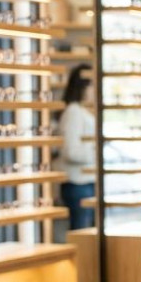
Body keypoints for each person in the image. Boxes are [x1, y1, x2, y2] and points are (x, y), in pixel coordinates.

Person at [55, 64, 96, 232]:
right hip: (78, 184)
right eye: (92, 85)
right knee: (81, 236)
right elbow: (70, 150)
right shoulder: (73, 112)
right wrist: (95, 151)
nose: (94, 90)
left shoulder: (79, 111)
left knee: (86, 235)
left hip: (85, 182)